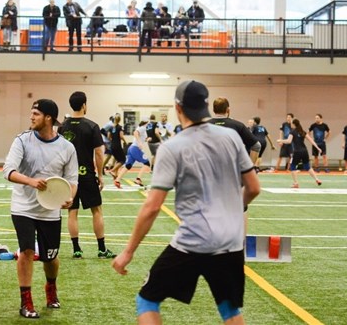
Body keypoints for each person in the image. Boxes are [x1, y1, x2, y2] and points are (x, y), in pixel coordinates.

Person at [112, 80, 261, 325]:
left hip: (193, 240)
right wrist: (234, 210)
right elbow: (254, 187)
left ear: (177, 108)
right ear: (205, 107)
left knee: (147, 301)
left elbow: (152, 206)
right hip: (231, 242)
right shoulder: (232, 138)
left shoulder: (172, 148)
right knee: (229, 309)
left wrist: (128, 252)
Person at [2, 99, 78, 319]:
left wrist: (70, 198)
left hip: (50, 211)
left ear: (49, 118)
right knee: (26, 251)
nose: (31, 117)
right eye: (31, 113)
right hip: (23, 208)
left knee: (50, 258)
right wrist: (30, 181)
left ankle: (51, 288)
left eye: (36, 113)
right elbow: (8, 171)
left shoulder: (66, 147)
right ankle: (26, 301)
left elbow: (72, 179)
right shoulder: (22, 141)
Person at [59, 91, 116, 259]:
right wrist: (100, 174)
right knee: (96, 210)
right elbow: (99, 153)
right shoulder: (92, 126)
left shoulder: (62, 126)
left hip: (69, 177)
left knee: (72, 212)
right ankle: (101, 249)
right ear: (84, 105)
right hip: (87, 175)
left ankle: (76, 249)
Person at [209, 97, 261, 165]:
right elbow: (256, 146)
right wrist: (249, 167)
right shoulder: (238, 125)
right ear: (228, 110)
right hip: (231, 169)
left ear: (213, 110)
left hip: (209, 169)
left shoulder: (203, 126)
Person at [277, 118, 322, 188]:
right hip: (304, 151)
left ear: (294, 124)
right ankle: (317, 179)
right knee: (308, 167)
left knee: (292, 167)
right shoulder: (302, 131)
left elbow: (289, 141)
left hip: (297, 152)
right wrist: (318, 148)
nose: (290, 124)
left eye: (291, 123)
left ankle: (296, 183)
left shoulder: (292, 132)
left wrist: (281, 140)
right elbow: (311, 141)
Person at [114, 121, 151, 187]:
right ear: (145, 122)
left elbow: (141, 137)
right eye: (148, 123)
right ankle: (138, 179)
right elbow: (135, 133)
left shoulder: (142, 129)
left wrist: (147, 139)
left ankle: (117, 180)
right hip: (135, 148)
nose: (149, 124)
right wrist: (139, 142)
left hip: (131, 148)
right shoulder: (143, 128)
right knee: (147, 163)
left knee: (128, 165)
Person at [108, 114, 127, 188]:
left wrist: (113, 140)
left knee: (117, 160)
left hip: (112, 146)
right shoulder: (120, 127)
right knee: (123, 160)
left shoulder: (111, 127)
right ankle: (112, 170)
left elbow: (109, 136)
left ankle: (115, 178)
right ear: (119, 120)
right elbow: (121, 136)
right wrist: (125, 141)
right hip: (118, 146)